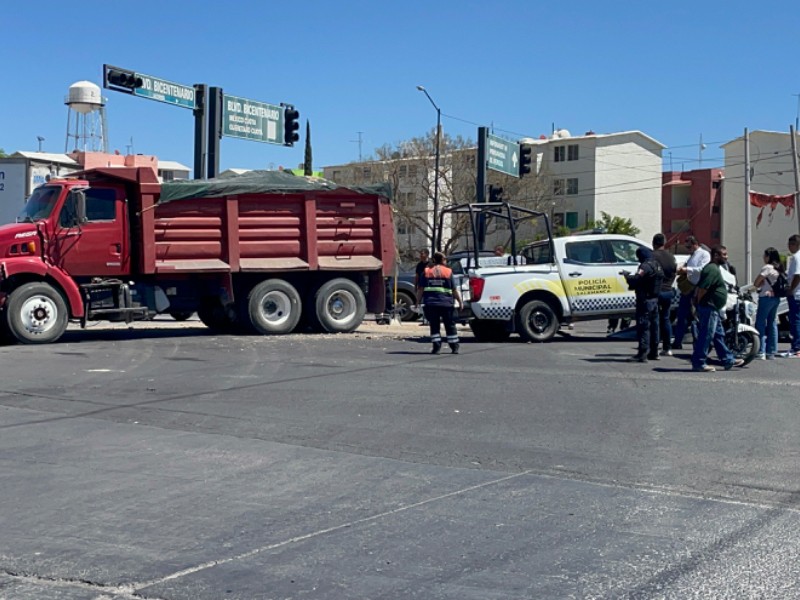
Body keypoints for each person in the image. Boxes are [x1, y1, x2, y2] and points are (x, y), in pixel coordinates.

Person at [691, 245, 745, 372]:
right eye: (724, 254)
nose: (726, 257)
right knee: (706, 335)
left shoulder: (715, 268)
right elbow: (702, 289)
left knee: (718, 335)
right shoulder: (712, 269)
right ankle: (699, 362)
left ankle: (727, 359)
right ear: (716, 255)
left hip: (714, 309)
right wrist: (698, 305)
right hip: (709, 307)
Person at [623, 247, 663, 362]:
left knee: (643, 326)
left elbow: (636, 279)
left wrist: (627, 276)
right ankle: (654, 352)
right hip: (655, 299)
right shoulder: (657, 264)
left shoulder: (645, 266)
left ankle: (642, 353)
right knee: (655, 327)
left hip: (645, 300)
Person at [418, 251, 463, 354]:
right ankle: (454, 347)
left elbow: (420, 289)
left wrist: (417, 301)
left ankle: (436, 347)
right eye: (445, 259)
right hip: (446, 303)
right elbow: (454, 289)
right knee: (450, 325)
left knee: (434, 326)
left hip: (431, 304)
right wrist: (460, 302)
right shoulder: (448, 272)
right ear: (443, 260)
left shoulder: (427, 272)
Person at [673, 235, 710, 350]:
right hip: (688, 288)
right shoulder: (692, 255)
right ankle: (677, 341)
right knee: (682, 315)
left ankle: (698, 341)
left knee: (697, 316)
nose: (688, 249)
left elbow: (702, 269)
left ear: (695, 244)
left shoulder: (704, 254)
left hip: (698, 288)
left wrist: (687, 269)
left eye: (689, 246)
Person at [753, 247, 783, 360]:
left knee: (760, 323)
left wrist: (760, 283)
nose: (763, 258)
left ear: (768, 257)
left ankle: (760, 351)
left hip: (766, 297)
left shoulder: (767, 268)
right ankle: (771, 351)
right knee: (772, 323)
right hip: (776, 297)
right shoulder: (779, 268)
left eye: (765, 256)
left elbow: (756, 283)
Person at [651, 233, 677, 356]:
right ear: (664, 243)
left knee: (654, 319)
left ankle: (654, 348)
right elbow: (674, 272)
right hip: (668, 291)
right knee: (665, 319)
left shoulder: (652, 256)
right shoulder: (671, 257)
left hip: (656, 292)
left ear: (654, 243)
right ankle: (667, 348)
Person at [779, 234, 800, 358]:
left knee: (795, 321)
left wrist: (791, 289)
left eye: (791, 244)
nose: (789, 247)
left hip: (796, 294)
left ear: (796, 245)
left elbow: (798, 275)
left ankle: (796, 348)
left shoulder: (797, 257)